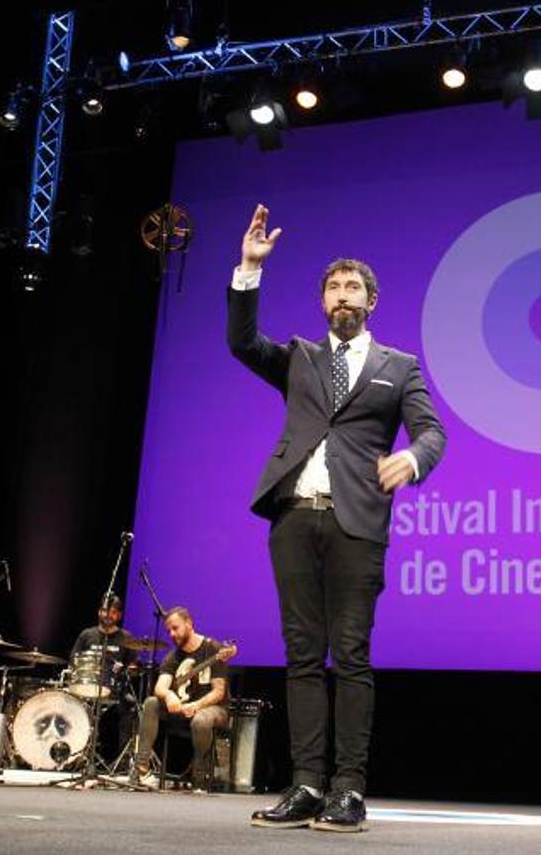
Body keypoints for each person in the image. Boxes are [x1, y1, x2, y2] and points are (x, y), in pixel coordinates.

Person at [229, 204, 446, 831]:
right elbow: (242, 342)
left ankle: (348, 790)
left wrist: (411, 458)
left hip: (357, 524)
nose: (342, 295)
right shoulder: (299, 357)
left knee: (349, 655)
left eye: (353, 287)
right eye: (333, 287)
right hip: (295, 519)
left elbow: (432, 433)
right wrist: (248, 269)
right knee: (302, 655)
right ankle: (305, 785)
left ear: (370, 301)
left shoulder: (398, 367)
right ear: (323, 301)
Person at [132, 607, 233, 791]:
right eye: (169, 630)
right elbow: (160, 688)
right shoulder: (173, 656)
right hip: (182, 709)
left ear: (189, 624)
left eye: (175, 628)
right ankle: (141, 767)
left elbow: (218, 692)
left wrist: (197, 705)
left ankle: (200, 772)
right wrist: (169, 695)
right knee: (152, 703)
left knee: (201, 720)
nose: (172, 634)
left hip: (213, 709)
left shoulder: (213, 649)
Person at [68, 593, 139, 762]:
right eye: (105, 610)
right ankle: (74, 755)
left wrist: (126, 669)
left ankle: (121, 760)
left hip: (115, 692)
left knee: (130, 707)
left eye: (113, 612)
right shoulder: (87, 635)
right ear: (99, 611)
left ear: (119, 615)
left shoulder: (126, 638)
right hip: (86, 689)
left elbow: (134, 668)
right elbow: (73, 661)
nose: (108, 615)